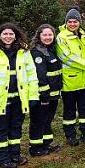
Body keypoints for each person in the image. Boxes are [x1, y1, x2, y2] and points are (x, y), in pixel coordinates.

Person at [0, 23, 38, 168]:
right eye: (5, 34)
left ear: (16, 35)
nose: (8, 37)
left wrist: (33, 96)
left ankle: (15, 155)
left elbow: (32, 75)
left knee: (16, 127)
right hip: (0, 101)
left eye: (11, 34)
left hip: (19, 98)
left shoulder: (24, 53)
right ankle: (2, 158)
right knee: (1, 129)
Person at [56, 8, 85, 145]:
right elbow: (66, 57)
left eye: (75, 21)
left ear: (79, 22)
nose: (72, 24)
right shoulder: (61, 37)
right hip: (70, 80)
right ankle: (70, 134)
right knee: (69, 110)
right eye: (69, 21)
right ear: (66, 23)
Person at [29, 24, 62, 156]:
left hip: (53, 94)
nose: (48, 37)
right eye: (45, 35)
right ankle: (36, 147)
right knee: (38, 120)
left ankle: (46, 144)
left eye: (50, 35)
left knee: (47, 120)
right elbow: (40, 75)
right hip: (43, 95)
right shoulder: (37, 52)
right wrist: (44, 93)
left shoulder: (51, 50)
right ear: (39, 36)